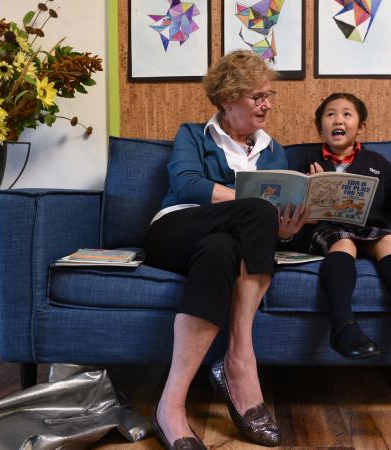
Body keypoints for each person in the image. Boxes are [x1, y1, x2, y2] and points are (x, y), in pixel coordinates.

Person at [144, 50, 306, 449]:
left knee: (220, 251)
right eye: (257, 97)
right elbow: (186, 185)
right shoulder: (192, 135)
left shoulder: (272, 150)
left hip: (218, 247)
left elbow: (268, 224)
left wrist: (285, 229)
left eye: (270, 95)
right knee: (254, 210)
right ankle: (239, 361)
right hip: (176, 229)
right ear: (228, 99)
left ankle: (170, 406)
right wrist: (247, 203)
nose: (267, 104)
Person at [281, 93, 391, 362]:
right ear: (320, 127)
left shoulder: (376, 162)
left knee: (388, 241)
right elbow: (294, 205)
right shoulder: (308, 161)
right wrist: (311, 186)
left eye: (346, 114)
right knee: (344, 241)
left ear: (360, 127)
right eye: (330, 115)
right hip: (328, 230)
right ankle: (342, 326)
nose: (338, 119)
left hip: (368, 228)